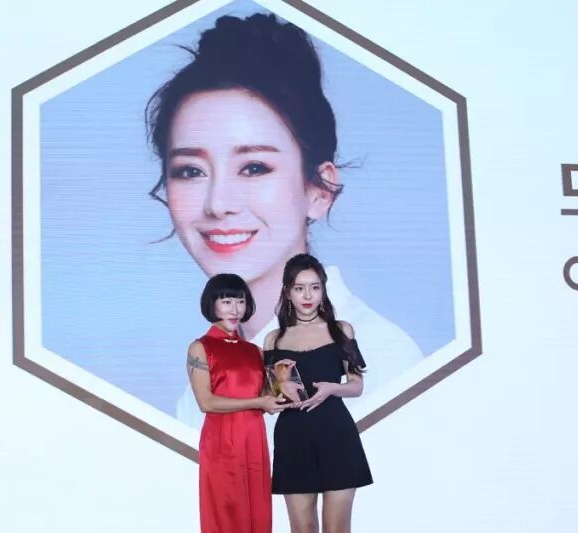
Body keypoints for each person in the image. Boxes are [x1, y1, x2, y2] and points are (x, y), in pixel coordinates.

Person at [145, 12, 424, 428]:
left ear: (319, 190)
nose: (218, 203)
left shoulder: (383, 359)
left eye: (254, 167)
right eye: (190, 171)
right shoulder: (211, 369)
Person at [263, 253, 372, 533]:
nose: (307, 295)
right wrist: (281, 390)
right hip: (293, 437)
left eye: (314, 287)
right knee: (302, 531)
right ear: (287, 292)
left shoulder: (341, 330)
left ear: (323, 289)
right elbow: (271, 395)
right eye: (299, 288)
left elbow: (357, 384)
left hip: (337, 435)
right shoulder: (273, 340)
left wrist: (331, 388)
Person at [187, 273, 288, 533]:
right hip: (222, 449)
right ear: (212, 304)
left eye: (239, 301)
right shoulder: (201, 347)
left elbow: (270, 399)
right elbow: (207, 402)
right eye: (226, 300)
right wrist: (258, 403)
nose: (234, 308)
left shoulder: (253, 351)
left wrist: (281, 381)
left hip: (254, 448)